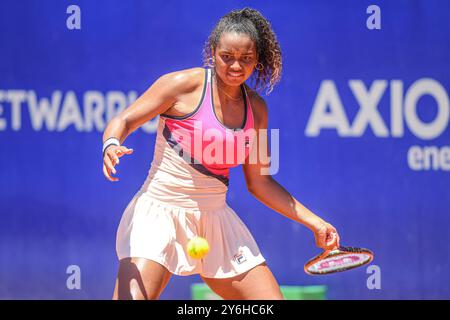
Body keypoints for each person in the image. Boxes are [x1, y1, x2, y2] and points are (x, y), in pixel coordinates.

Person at [103, 7, 340, 300]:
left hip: (215, 219)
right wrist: (111, 143)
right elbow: (124, 120)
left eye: (246, 59)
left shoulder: (257, 110)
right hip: (158, 212)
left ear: (257, 61)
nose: (235, 66)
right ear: (213, 52)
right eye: (227, 56)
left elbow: (260, 182)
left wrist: (314, 221)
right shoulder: (181, 86)